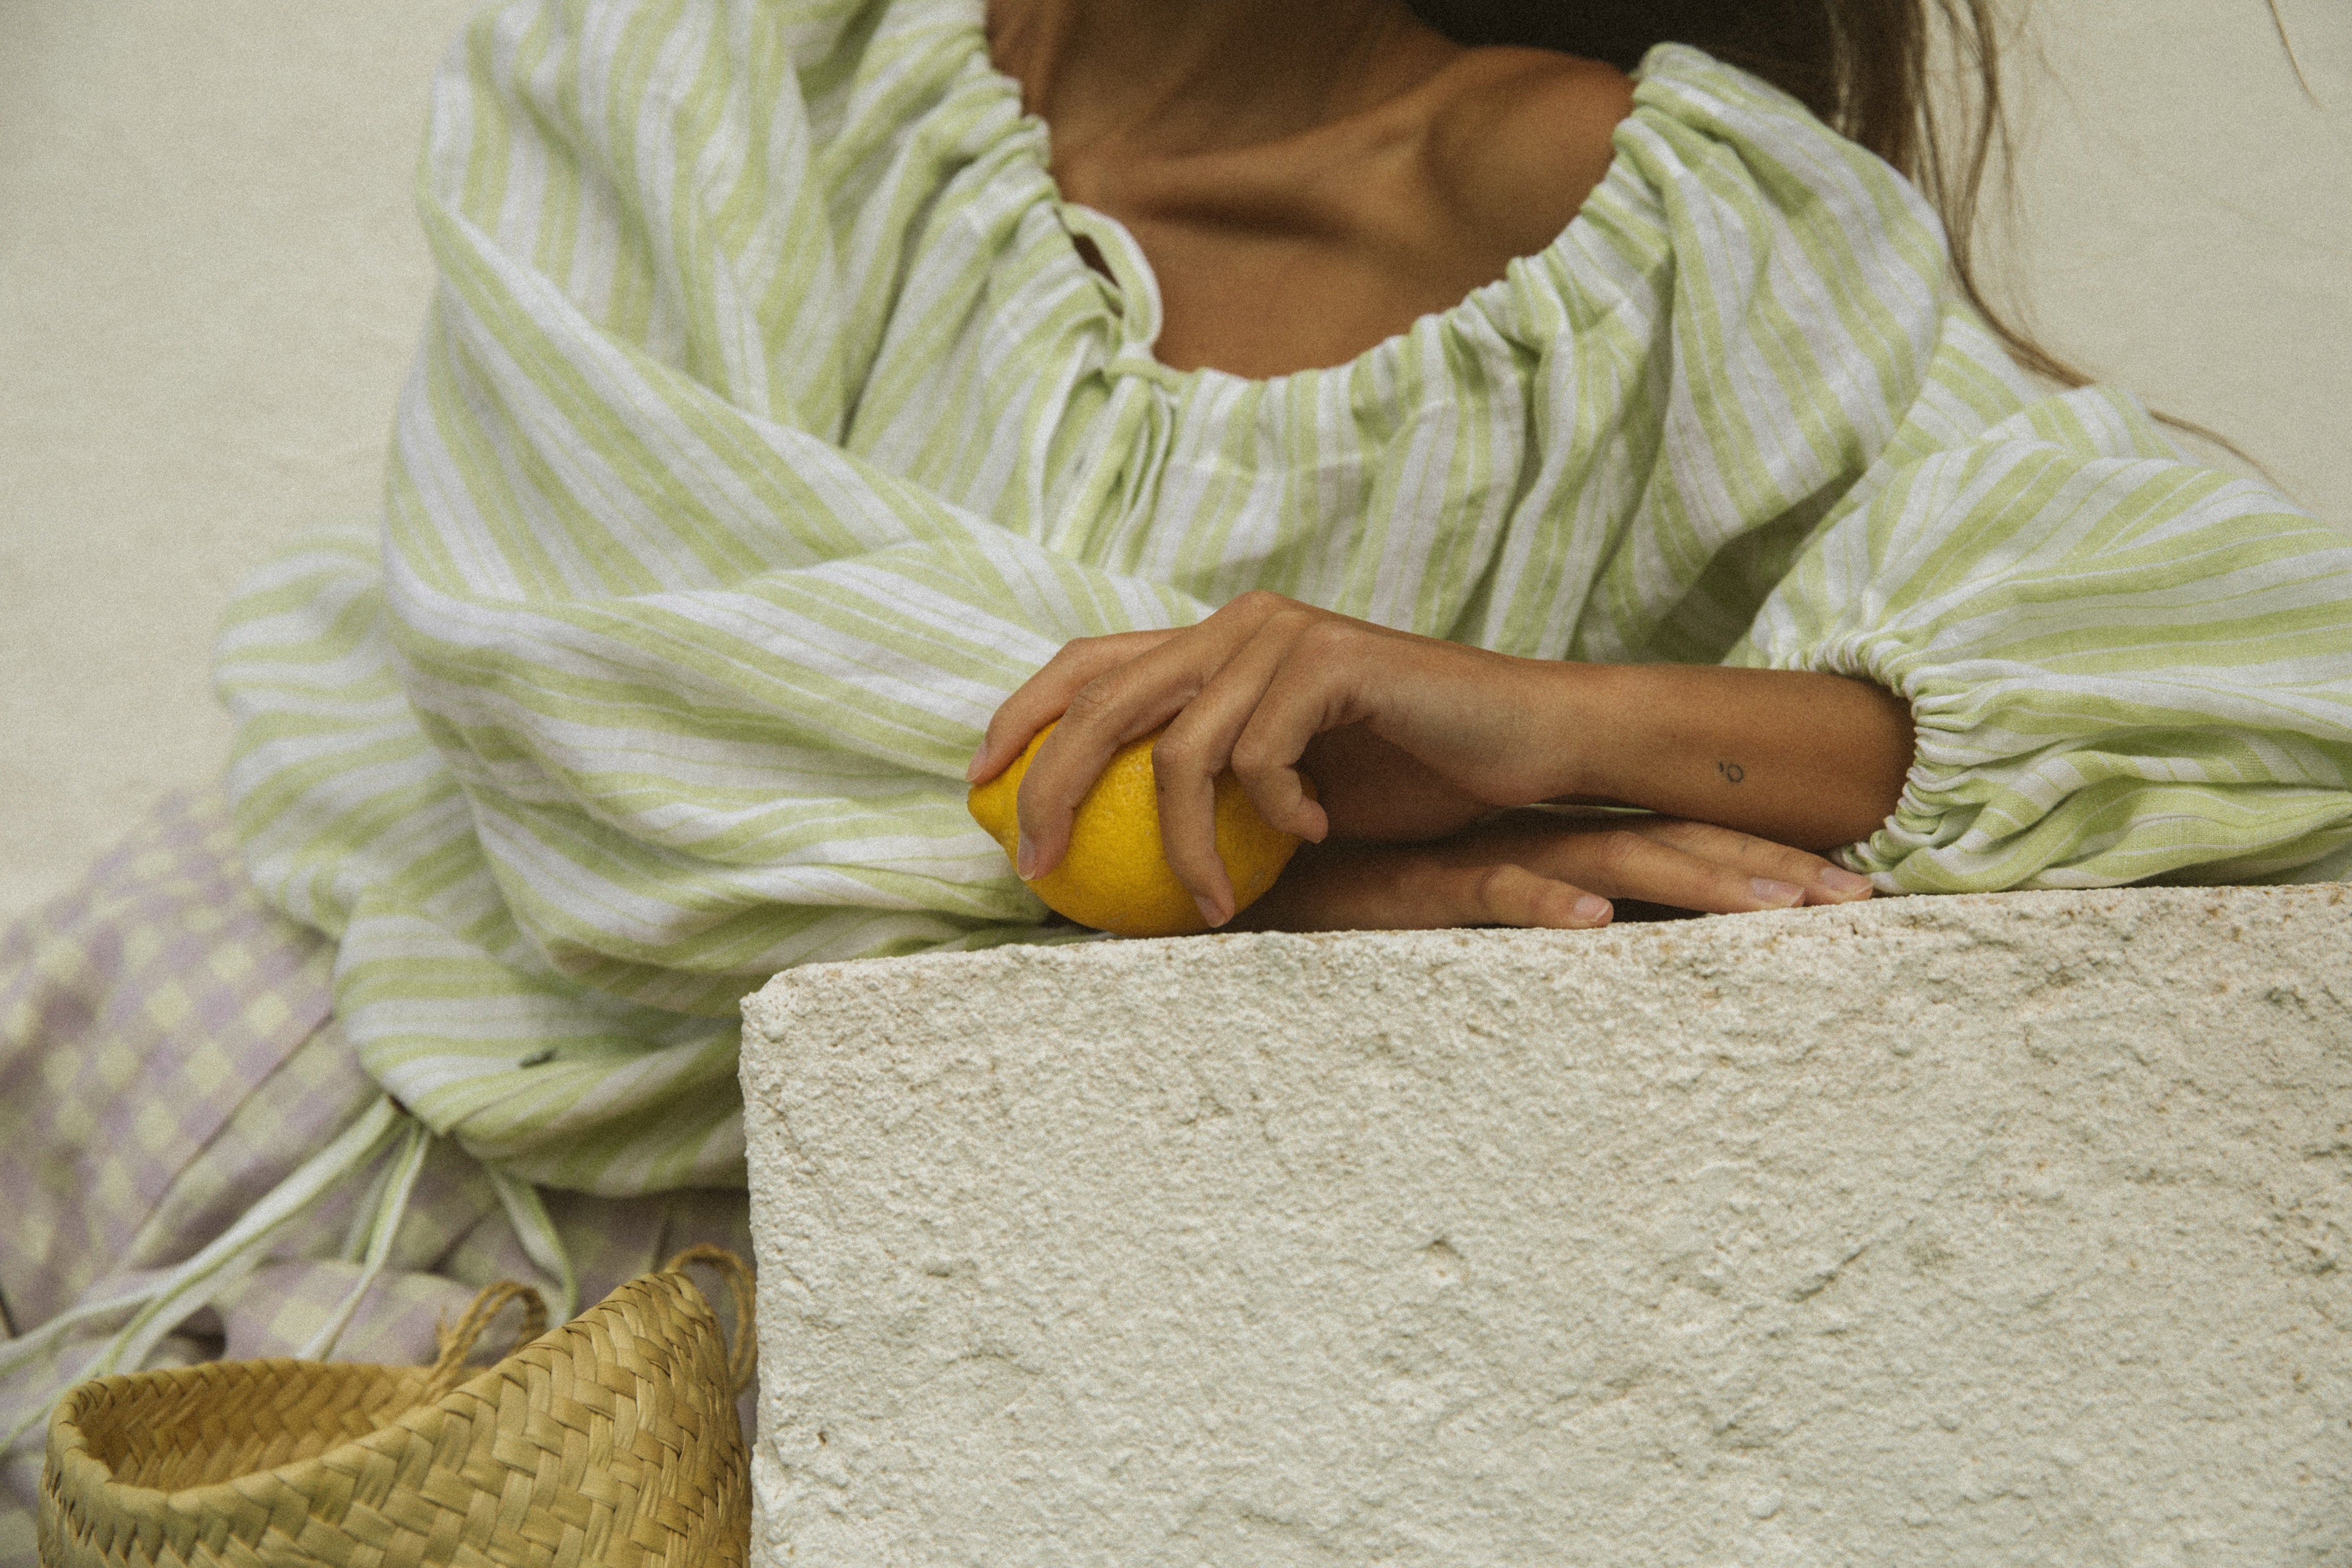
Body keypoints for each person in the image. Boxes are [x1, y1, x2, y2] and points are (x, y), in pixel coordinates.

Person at [5, 0, 2349, 1534]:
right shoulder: (712, 60)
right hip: (222, 1117)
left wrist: (1515, 719)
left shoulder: (1640, 230)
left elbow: (2262, 656)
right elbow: (601, 692)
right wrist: (1267, 872)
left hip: (871, 1369)